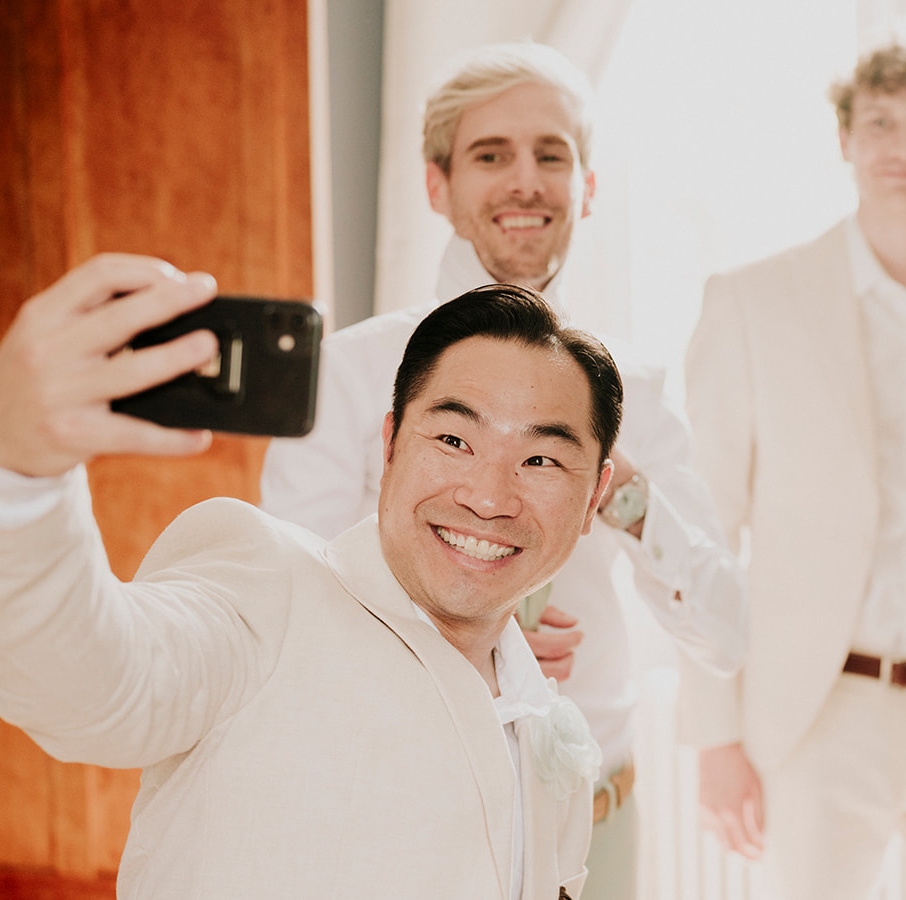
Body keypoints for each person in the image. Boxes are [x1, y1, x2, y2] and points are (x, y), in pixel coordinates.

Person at [0, 257, 623, 898]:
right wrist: (11, 471)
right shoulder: (267, 588)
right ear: (388, 447)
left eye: (541, 461)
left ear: (594, 497)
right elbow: (93, 686)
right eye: (452, 439)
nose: (489, 497)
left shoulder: (547, 722)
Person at [260, 42, 747, 900]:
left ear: (586, 188)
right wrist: (467, 638)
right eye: (491, 155)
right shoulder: (349, 375)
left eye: (551, 156)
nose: (526, 181)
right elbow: (292, 606)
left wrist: (631, 499)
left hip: (595, 826)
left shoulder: (637, 389)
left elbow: (727, 631)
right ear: (437, 185)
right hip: (403, 818)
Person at [683, 37, 906, 899]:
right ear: (845, 139)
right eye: (881, 123)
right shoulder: (752, 300)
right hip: (821, 709)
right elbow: (703, 529)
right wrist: (713, 735)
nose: (905, 146)